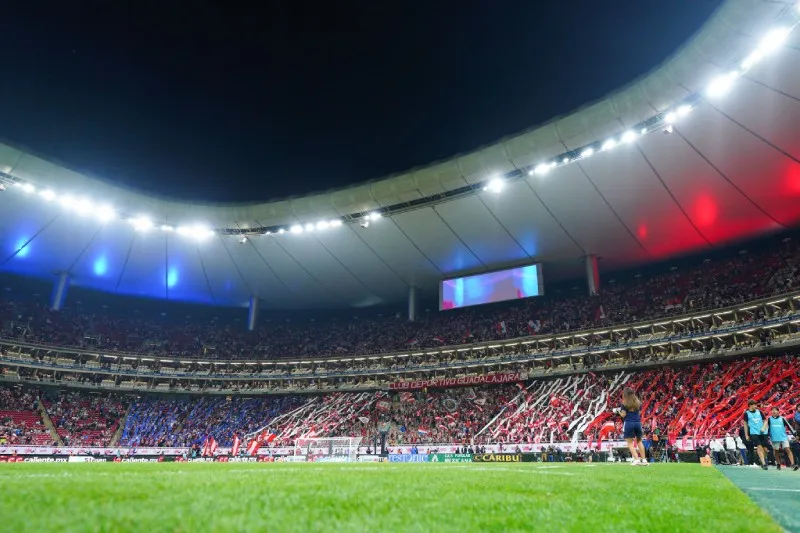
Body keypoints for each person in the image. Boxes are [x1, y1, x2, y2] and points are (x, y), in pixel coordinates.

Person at [614, 388, 648, 466]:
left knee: (630, 443)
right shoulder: (638, 402)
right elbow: (639, 413)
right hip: (638, 423)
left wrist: (618, 412)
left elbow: (623, 415)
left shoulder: (624, 403)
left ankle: (636, 460)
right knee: (639, 441)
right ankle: (644, 460)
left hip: (629, 423)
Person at [743, 400, 769, 470]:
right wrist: (746, 435)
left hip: (763, 432)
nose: (756, 406)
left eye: (756, 405)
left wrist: (763, 427)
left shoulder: (759, 412)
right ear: (750, 406)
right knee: (759, 447)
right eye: (754, 405)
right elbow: (745, 424)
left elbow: (766, 421)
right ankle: (763, 463)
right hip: (753, 433)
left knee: (765, 449)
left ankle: (762, 459)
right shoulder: (746, 413)